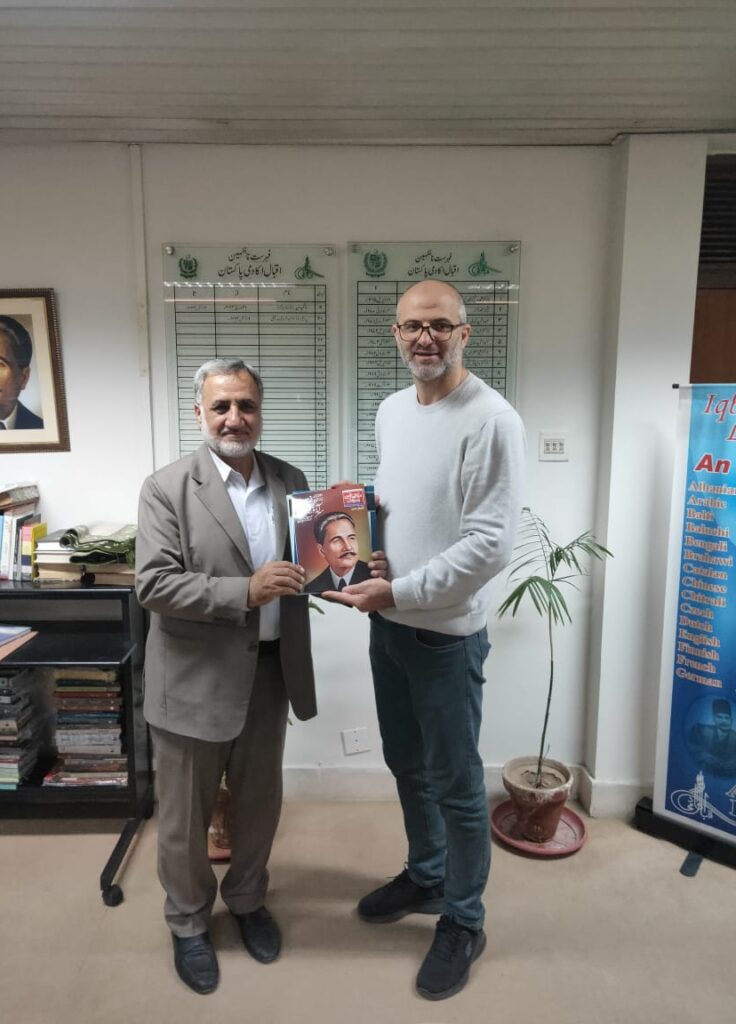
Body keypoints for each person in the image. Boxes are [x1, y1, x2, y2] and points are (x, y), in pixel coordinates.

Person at [326, 280, 526, 1001]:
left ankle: (464, 920)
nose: (425, 338)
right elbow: (410, 511)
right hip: (390, 627)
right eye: (413, 326)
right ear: (396, 333)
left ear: (464, 334)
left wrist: (400, 590)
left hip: (443, 638)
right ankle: (428, 874)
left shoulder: (492, 420)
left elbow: (488, 545)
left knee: (458, 786)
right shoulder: (391, 411)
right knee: (407, 763)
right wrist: (370, 543)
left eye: (440, 325)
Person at [135, 357, 317, 995]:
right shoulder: (166, 488)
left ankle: (246, 900)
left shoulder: (292, 481)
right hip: (192, 678)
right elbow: (154, 585)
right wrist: (246, 591)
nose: (234, 418)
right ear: (200, 414)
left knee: (260, 803)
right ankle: (188, 921)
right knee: (184, 817)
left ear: (260, 412)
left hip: (270, 672)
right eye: (221, 406)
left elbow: (312, 565)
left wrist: (354, 563)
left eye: (246, 405)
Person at [307, 511, 371, 594]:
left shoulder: (374, 576)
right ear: (321, 550)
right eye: (337, 540)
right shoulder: (312, 588)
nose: (348, 547)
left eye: (351, 538)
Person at [687, 698, 736, 777]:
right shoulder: (700, 731)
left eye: (726, 718)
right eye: (719, 717)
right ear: (714, 719)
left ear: (731, 720)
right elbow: (689, 750)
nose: (723, 721)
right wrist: (703, 755)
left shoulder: (734, 738)